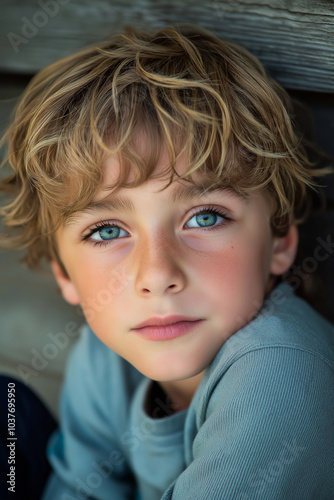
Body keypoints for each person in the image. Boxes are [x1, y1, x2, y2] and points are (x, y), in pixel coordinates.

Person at [1, 24, 334, 499]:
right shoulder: (105, 355)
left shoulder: (281, 373)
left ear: (279, 240)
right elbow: (78, 487)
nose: (157, 275)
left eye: (205, 218)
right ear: (63, 273)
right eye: (108, 231)